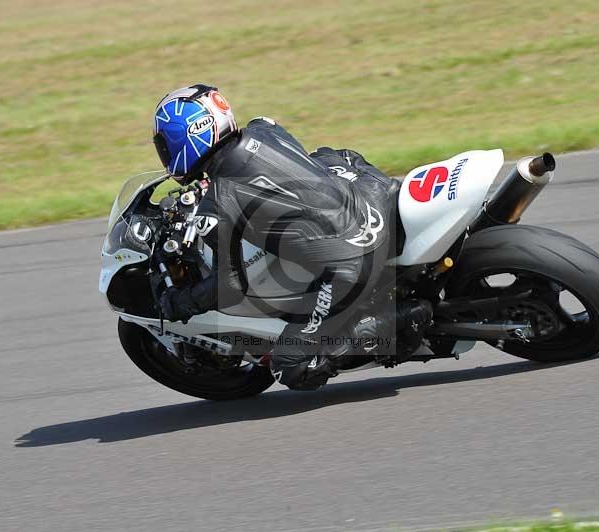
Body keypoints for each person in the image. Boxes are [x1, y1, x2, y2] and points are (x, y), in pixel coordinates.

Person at [153, 84, 429, 390]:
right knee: (326, 156)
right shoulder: (262, 127)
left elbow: (230, 287)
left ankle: (392, 323)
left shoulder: (218, 204)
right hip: (373, 197)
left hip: (350, 263)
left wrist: (181, 303)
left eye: (164, 143)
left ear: (183, 138)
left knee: (289, 367)